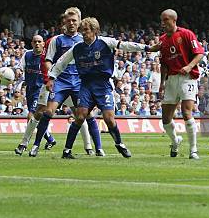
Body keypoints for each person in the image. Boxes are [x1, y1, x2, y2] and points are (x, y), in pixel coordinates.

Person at [49, 17, 151, 159]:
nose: (83, 33)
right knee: (79, 117)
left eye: (86, 30)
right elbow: (61, 62)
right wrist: (52, 77)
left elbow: (126, 45)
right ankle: (67, 150)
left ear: (95, 31)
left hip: (103, 85)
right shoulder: (77, 48)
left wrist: (146, 48)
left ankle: (119, 144)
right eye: (82, 30)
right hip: (86, 85)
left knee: (109, 119)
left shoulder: (105, 42)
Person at [22, 8, 99, 157]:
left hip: (77, 84)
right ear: (64, 21)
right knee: (42, 112)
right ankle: (26, 143)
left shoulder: (85, 40)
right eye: (68, 20)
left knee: (83, 114)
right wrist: (51, 78)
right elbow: (46, 61)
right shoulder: (55, 40)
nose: (71, 23)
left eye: (74, 21)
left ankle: (90, 147)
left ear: (79, 22)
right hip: (58, 83)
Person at [155, 9, 204, 159]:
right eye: (162, 20)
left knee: (186, 112)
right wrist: (162, 83)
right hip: (171, 79)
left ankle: (193, 150)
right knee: (165, 119)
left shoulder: (186, 34)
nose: (163, 23)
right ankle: (175, 141)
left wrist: (189, 66)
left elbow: (199, 53)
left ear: (174, 20)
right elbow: (163, 64)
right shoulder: (162, 39)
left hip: (187, 78)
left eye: (166, 20)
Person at [14, 35, 56, 155]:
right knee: (37, 117)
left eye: (39, 42)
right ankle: (50, 139)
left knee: (32, 115)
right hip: (30, 89)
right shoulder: (27, 55)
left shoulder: (47, 57)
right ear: (31, 43)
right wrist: (18, 71)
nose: (37, 44)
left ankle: (24, 144)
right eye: (35, 42)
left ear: (43, 44)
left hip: (41, 89)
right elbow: (20, 67)